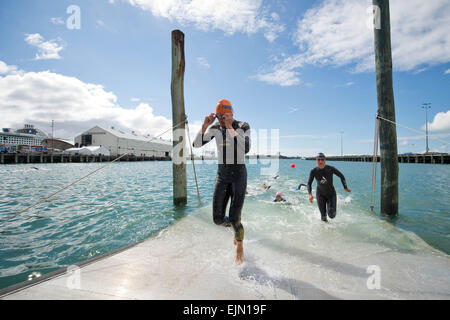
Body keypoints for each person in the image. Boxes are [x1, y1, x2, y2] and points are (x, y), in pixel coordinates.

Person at [193, 99, 250, 264]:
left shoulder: (243, 126)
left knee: (234, 217)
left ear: (231, 114)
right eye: (219, 117)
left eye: (224, 117)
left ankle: (239, 244)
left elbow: (245, 148)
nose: (221, 120)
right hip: (222, 176)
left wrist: (231, 127)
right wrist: (205, 126)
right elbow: (196, 144)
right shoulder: (216, 128)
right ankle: (233, 228)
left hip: (239, 175)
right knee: (217, 219)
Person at [307, 153, 352, 222]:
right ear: (316, 160)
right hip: (320, 195)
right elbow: (309, 183)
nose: (320, 161)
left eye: (322, 159)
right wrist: (310, 194)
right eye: (318, 160)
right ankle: (327, 230)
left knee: (331, 215)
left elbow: (341, 176)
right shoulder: (313, 171)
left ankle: (332, 208)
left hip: (331, 194)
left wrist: (345, 187)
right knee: (323, 217)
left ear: (325, 160)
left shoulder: (330, 168)